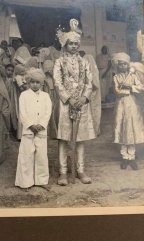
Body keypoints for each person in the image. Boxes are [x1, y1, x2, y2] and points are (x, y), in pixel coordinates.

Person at [53, 19, 99, 186]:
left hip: (81, 103)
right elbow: (57, 82)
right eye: (70, 43)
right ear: (65, 45)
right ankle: (63, 172)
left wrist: (83, 98)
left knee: (80, 139)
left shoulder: (84, 62)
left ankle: (80, 170)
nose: (73, 46)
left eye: (76, 44)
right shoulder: (59, 62)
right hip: (65, 103)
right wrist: (68, 98)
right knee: (64, 139)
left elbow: (89, 82)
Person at [15, 68, 52, 192]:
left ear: (41, 83)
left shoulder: (46, 96)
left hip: (41, 130)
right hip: (28, 130)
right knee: (27, 155)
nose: (35, 85)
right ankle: (25, 182)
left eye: (37, 82)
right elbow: (22, 112)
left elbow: (48, 112)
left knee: (41, 155)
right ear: (28, 82)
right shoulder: (24, 95)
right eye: (32, 82)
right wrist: (30, 125)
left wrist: (41, 124)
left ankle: (41, 180)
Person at [112, 53, 144, 170]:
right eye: (120, 64)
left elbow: (141, 88)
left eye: (124, 64)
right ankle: (124, 157)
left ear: (128, 65)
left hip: (132, 105)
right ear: (117, 66)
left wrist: (130, 87)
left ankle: (131, 157)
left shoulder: (133, 76)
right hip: (121, 105)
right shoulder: (115, 77)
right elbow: (117, 91)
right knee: (122, 129)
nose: (122, 66)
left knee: (131, 129)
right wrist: (125, 89)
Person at [83, 54, 101, 135]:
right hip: (88, 94)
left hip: (92, 95)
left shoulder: (92, 71)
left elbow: (95, 85)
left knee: (93, 111)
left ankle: (94, 130)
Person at [43, 60, 58, 139]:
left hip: (53, 95)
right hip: (46, 95)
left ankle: (53, 132)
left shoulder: (54, 77)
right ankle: (46, 132)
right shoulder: (43, 78)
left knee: (53, 113)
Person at [13, 65, 27, 140]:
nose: (23, 72)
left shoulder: (22, 76)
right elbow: (21, 88)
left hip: (23, 97)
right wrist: (26, 86)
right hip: (20, 96)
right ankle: (20, 135)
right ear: (18, 71)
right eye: (22, 71)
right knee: (21, 114)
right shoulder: (18, 77)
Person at [4, 64, 18, 138]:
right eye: (8, 70)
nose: (10, 72)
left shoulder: (13, 80)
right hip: (5, 100)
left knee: (13, 114)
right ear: (5, 70)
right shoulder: (3, 79)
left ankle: (13, 131)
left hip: (12, 99)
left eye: (12, 71)